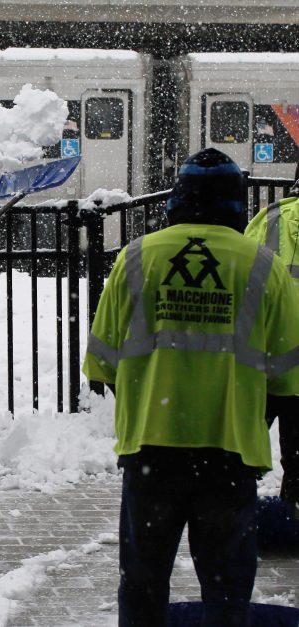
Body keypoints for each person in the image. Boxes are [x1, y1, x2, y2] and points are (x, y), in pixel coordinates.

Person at [83, 148, 299, 626]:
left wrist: (148, 403)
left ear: (177, 198)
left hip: (151, 452)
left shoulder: (136, 257)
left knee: (142, 581)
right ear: (236, 202)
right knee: (226, 590)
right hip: (230, 451)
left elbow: (102, 362)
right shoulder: (263, 265)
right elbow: (288, 378)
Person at [243, 162, 299, 519]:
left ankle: (234, 514)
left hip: (266, 353)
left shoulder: (271, 217)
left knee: (244, 440)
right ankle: (293, 511)